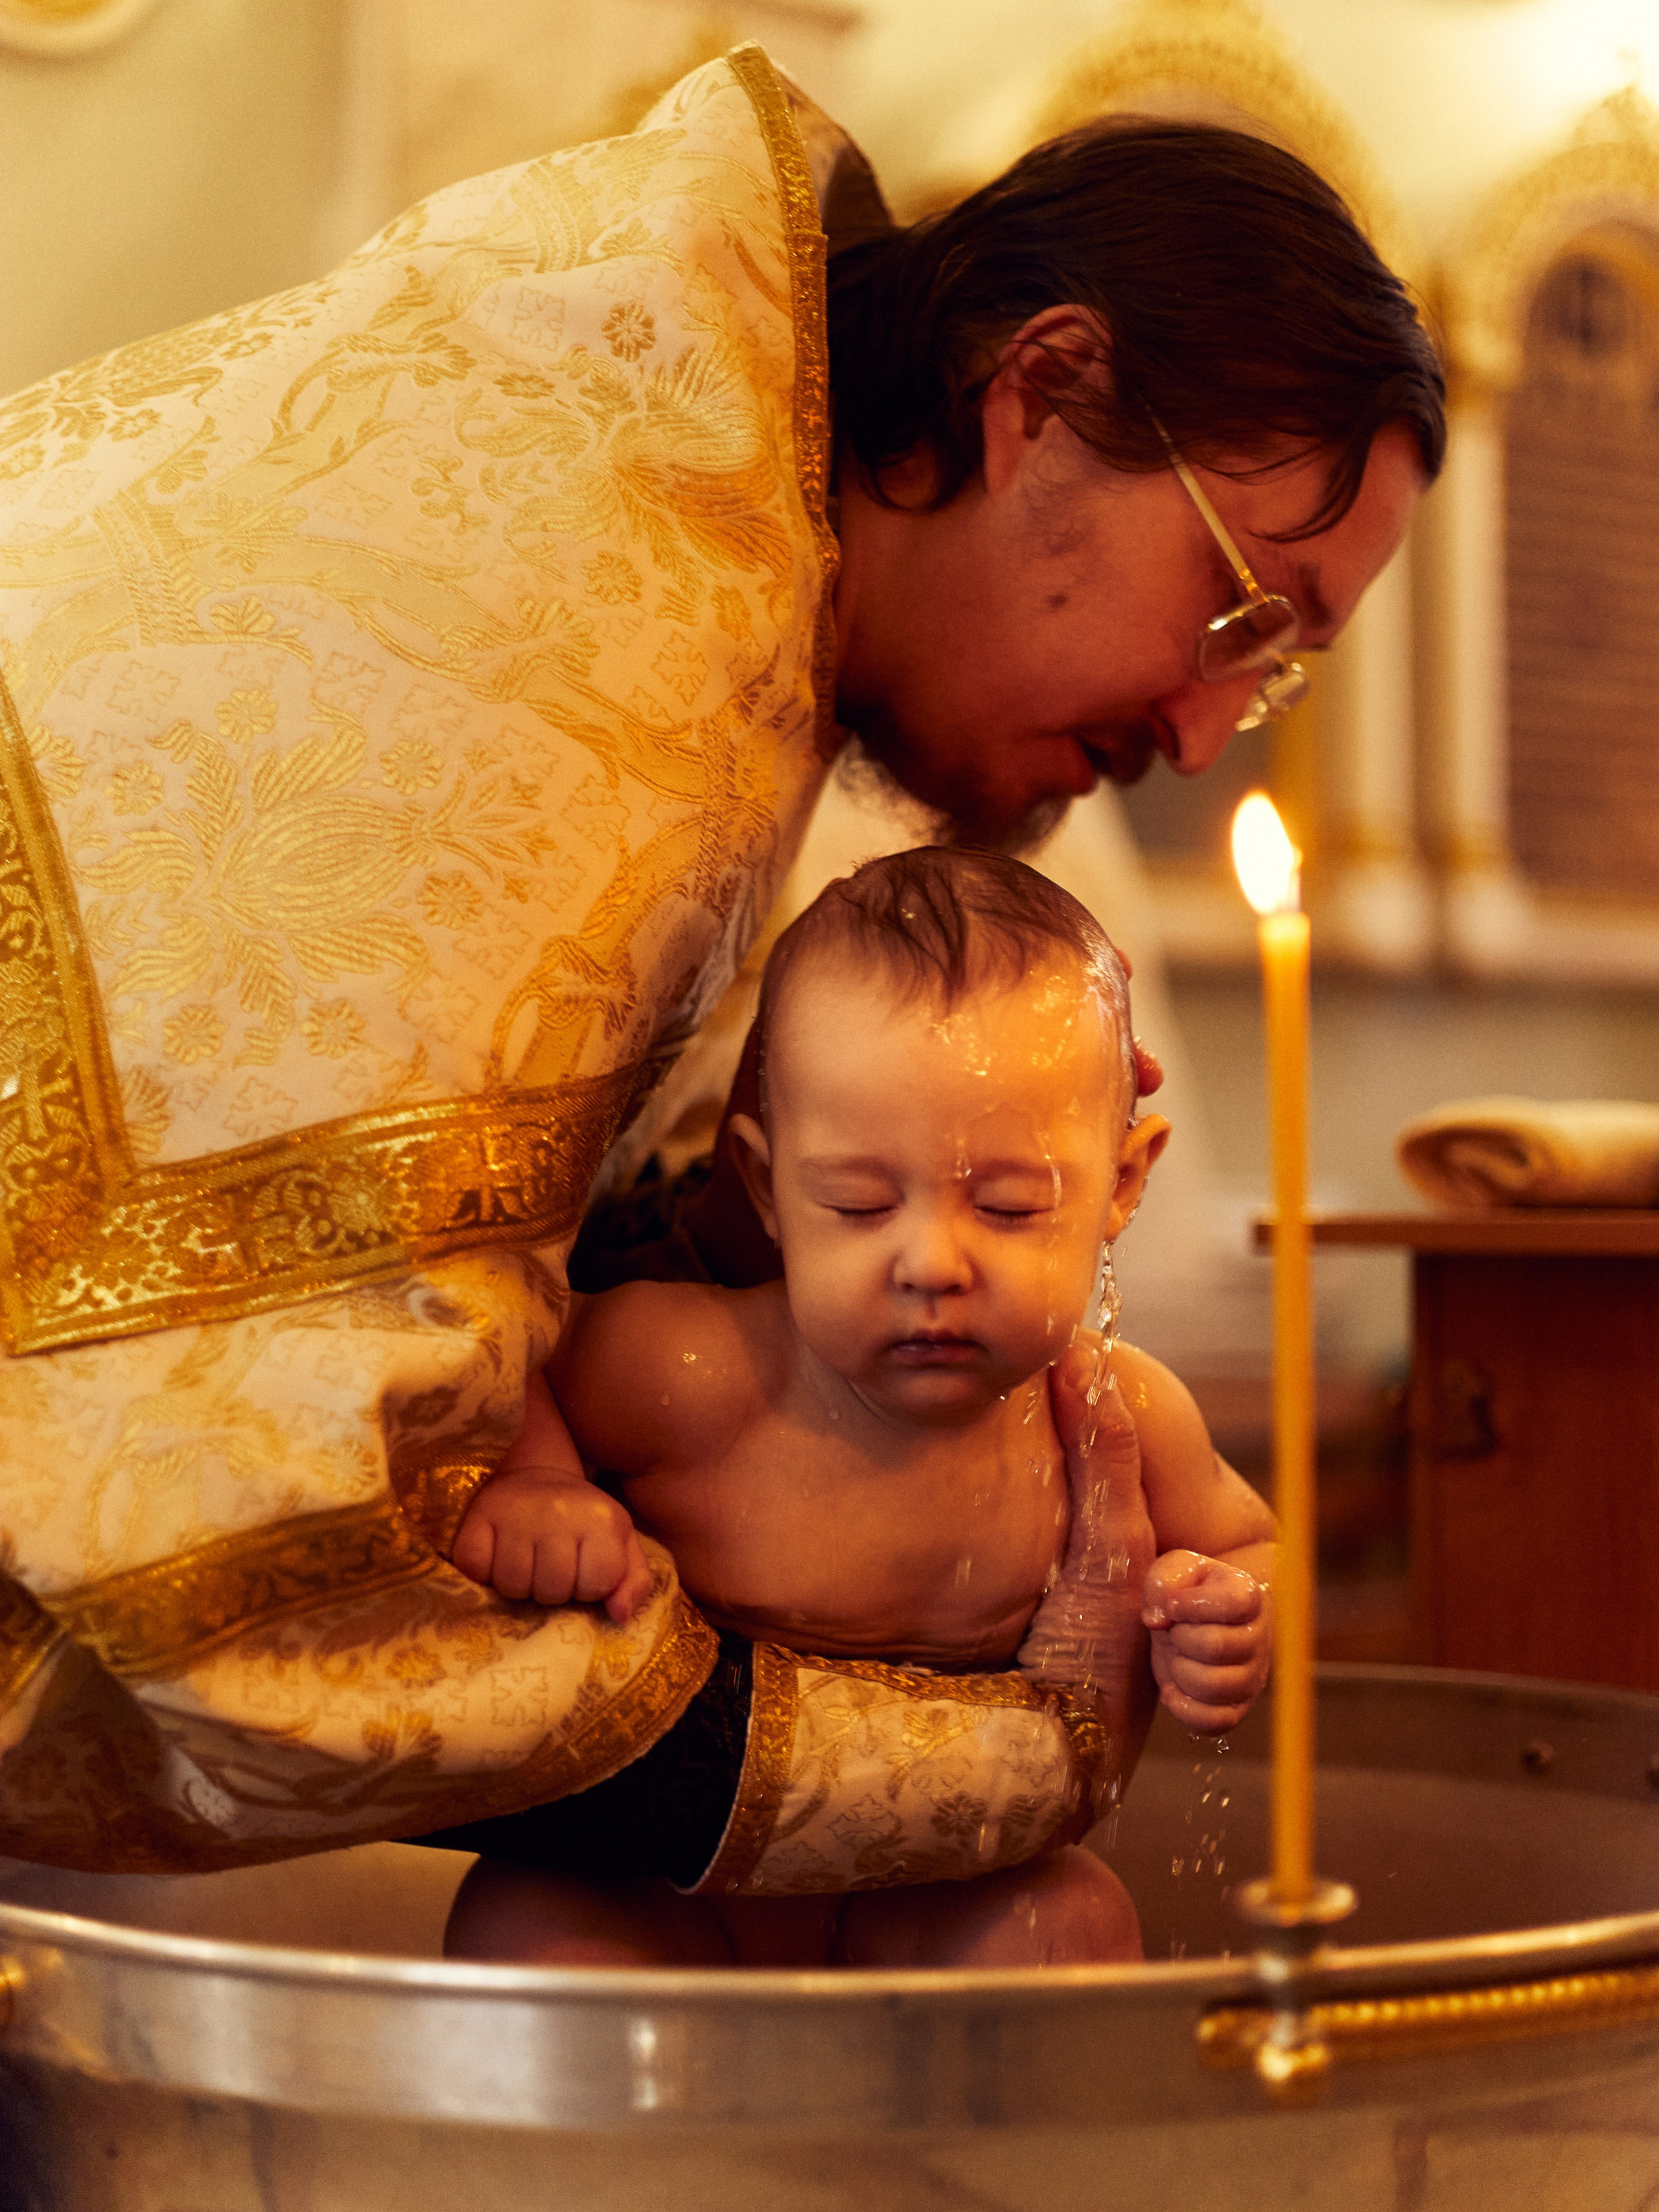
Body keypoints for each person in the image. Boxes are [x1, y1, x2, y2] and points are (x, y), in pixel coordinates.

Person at [0, 43, 1437, 1885]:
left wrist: (829, 1203)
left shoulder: (687, 441)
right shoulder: (596, 617)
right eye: (1244, 611)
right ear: (1044, 392)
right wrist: (1005, 1760)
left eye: (1283, 671)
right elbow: (276, 1563)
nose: (1217, 725)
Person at [430, 848, 1275, 1966]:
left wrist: (1232, 1611)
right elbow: (510, 1349)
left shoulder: (1109, 1413)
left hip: (936, 1896)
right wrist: (540, 1482)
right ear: (768, 1187)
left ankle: (961, 2150)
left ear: (1122, 1183)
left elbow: (1255, 1538)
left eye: (1012, 1206)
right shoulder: (699, 1374)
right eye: (859, 1203)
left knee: (1073, 1919)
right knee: (522, 1923)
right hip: (662, 1889)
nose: (930, 1260)